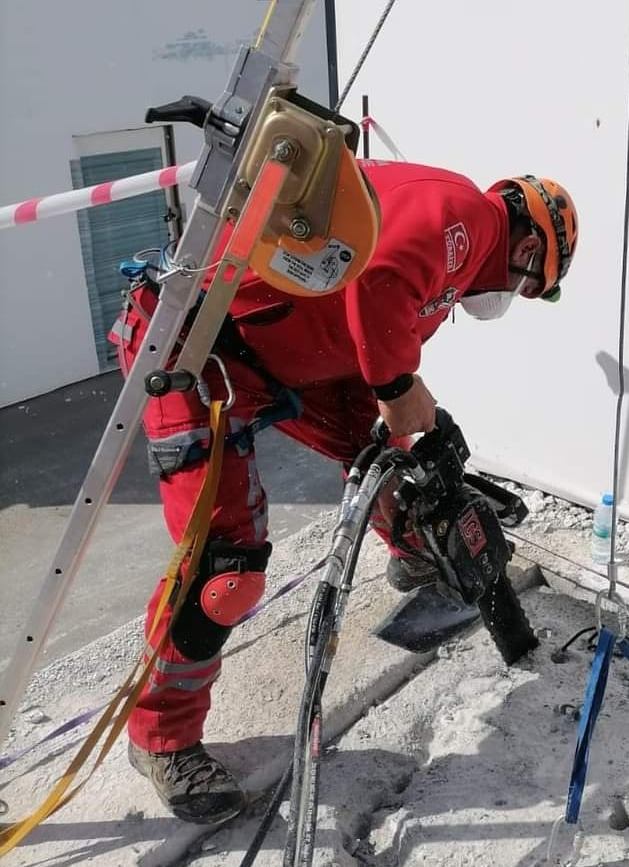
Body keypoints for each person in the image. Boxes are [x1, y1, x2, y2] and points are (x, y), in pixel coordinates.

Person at [111, 163, 578, 824]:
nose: (514, 297)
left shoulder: (450, 266)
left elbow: (364, 338)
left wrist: (410, 441)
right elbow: (382, 281)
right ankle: (162, 738)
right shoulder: (465, 219)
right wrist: (396, 388)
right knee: (225, 572)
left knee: (403, 456)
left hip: (265, 355)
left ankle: (414, 559)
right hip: (195, 347)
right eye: (532, 288)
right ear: (530, 252)